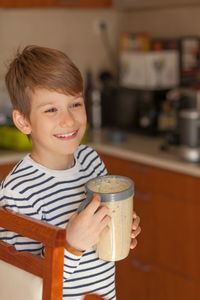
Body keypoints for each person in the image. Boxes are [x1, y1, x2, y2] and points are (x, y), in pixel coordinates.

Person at [0, 45, 141, 300]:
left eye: (75, 103)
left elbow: (99, 239)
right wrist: (71, 245)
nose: (68, 120)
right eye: (51, 110)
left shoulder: (91, 161)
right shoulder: (19, 190)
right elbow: (22, 285)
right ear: (23, 122)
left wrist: (118, 226)